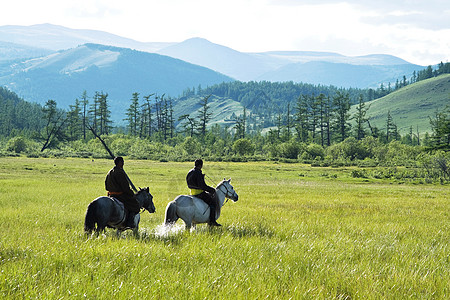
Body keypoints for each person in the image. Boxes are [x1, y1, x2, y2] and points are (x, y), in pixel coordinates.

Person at [105, 156, 140, 229]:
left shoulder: (110, 172)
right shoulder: (120, 172)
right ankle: (130, 223)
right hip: (120, 195)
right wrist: (132, 194)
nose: (123, 163)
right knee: (135, 205)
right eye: (122, 162)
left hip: (111, 195)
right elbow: (125, 187)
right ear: (120, 163)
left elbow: (106, 185)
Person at [186, 158, 221, 226]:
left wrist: (202, 177)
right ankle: (212, 221)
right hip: (199, 193)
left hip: (192, 193)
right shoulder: (198, 173)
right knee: (213, 203)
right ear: (201, 165)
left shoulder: (190, 172)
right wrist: (212, 190)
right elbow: (203, 186)